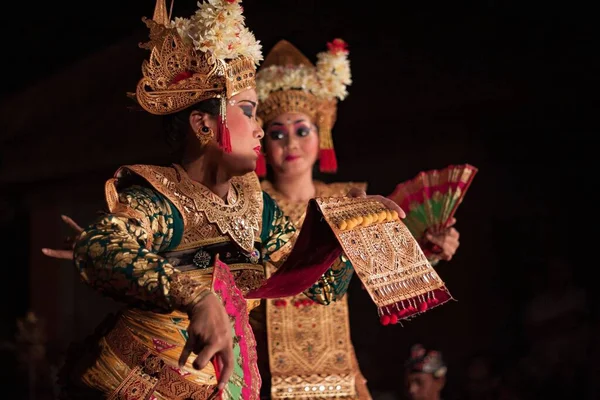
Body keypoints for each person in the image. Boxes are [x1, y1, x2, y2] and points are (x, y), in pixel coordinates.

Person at [41, 2, 407, 398]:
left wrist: (349, 232)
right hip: (139, 385)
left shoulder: (255, 205)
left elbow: (320, 289)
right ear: (204, 124)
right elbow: (99, 245)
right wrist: (197, 298)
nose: (260, 128)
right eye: (248, 111)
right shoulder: (163, 196)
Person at [248, 39, 461, 399]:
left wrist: (428, 250)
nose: (292, 144)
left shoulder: (348, 198)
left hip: (337, 365)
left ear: (321, 133)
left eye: (302, 130)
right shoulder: (251, 200)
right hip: (265, 364)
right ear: (263, 142)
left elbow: (382, 272)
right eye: (277, 133)